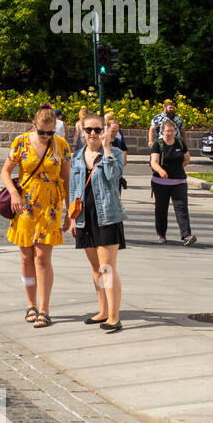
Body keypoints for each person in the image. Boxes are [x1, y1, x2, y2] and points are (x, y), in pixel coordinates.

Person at [0, 106, 72, 329]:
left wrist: (70, 211)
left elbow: (67, 179)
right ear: (34, 125)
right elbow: (5, 171)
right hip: (25, 205)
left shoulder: (61, 146)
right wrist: (13, 192)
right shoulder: (21, 142)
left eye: (51, 132)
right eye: (43, 132)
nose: (47, 136)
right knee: (25, 257)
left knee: (42, 258)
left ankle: (44, 309)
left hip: (50, 206)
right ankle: (30, 304)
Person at [70, 114, 127, 333]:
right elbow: (74, 189)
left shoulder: (116, 154)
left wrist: (107, 149)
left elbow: (114, 177)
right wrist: (72, 217)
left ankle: (114, 316)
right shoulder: (77, 156)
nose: (93, 134)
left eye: (97, 130)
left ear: (104, 131)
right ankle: (103, 310)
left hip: (107, 216)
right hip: (85, 215)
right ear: (82, 132)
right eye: (89, 130)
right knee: (96, 268)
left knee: (107, 268)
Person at [150, 119, 196, 245]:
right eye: (167, 131)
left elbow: (187, 158)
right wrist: (161, 171)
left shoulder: (180, 143)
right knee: (161, 209)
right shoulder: (157, 144)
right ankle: (161, 234)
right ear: (162, 132)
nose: (169, 133)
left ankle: (186, 235)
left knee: (181, 208)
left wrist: (178, 168)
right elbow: (153, 162)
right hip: (160, 182)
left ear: (175, 131)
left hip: (179, 181)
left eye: (172, 131)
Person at [104, 110, 128, 189]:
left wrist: (122, 163)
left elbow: (124, 154)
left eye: (117, 131)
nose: (115, 133)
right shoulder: (101, 141)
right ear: (107, 129)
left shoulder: (119, 142)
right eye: (113, 131)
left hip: (116, 175)